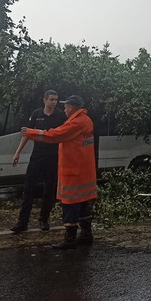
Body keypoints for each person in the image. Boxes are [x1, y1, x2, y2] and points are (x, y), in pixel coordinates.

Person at [22, 95, 97, 250]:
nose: (64, 109)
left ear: (73, 107)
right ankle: (86, 234)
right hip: (83, 171)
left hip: (74, 171)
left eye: (66, 106)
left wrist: (31, 132)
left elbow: (55, 135)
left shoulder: (76, 123)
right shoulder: (86, 120)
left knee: (70, 204)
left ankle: (70, 239)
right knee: (83, 203)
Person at [10, 90, 67, 233]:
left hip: (52, 156)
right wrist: (17, 153)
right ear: (45, 100)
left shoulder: (60, 115)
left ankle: (44, 219)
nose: (54, 102)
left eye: (56, 100)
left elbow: (64, 135)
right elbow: (27, 134)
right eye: (52, 99)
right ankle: (22, 222)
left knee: (49, 189)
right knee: (28, 188)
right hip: (37, 156)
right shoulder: (36, 114)